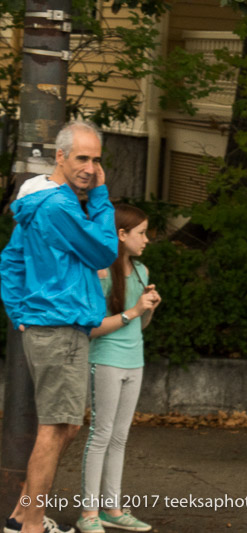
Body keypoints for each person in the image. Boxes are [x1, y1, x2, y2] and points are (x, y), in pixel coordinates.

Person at [0, 121, 118, 533]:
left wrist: (20, 313)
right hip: (61, 327)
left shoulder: (38, 201)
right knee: (56, 429)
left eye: (97, 160)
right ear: (61, 157)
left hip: (52, 325)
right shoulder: (59, 206)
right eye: (82, 158)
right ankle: (31, 524)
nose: (91, 168)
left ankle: (21, 514)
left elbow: (11, 259)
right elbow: (105, 247)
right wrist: (102, 196)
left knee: (67, 424)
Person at [75, 205, 161, 533]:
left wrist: (148, 308)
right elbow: (92, 327)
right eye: (141, 233)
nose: (146, 239)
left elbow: (139, 326)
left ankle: (112, 509)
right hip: (106, 360)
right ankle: (88, 514)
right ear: (121, 235)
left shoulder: (142, 271)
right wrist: (132, 310)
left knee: (120, 437)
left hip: (134, 361)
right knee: (101, 435)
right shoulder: (100, 273)